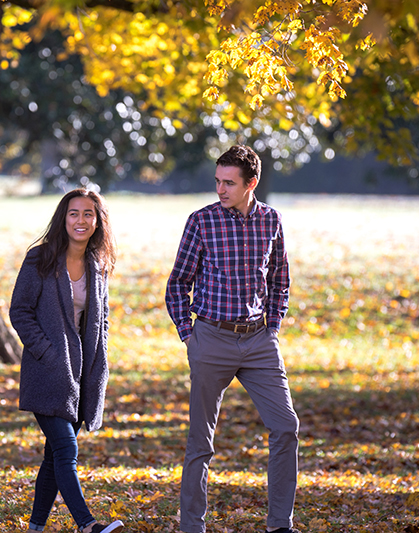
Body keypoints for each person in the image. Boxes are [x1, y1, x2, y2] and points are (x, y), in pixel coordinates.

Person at [165, 145, 300, 533]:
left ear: (250, 183)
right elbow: (177, 285)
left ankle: (279, 525)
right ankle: (193, 526)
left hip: (259, 341)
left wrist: (272, 326)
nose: (221, 189)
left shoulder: (271, 220)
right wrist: (189, 335)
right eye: (218, 181)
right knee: (200, 441)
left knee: (286, 426)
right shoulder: (202, 221)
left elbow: (279, 280)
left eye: (229, 183)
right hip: (211, 338)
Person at [10, 189, 123, 533]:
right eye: (74, 213)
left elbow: (100, 322)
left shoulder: (97, 265)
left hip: (81, 374)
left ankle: (36, 527)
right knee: (66, 448)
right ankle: (88, 525)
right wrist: (48, 353)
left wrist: (96, 367)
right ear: (63, 218)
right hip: (48, 372)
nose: (80, 220)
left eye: (88, 214)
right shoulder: (40, 259)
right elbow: (20, 312)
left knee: (53, 457)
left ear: (97, 221)